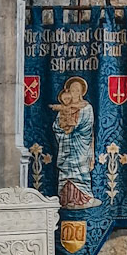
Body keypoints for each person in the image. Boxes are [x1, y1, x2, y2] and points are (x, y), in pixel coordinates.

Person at [52, 76, 97, 208]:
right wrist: (62, 127)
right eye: (72, 90)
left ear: (82, 92)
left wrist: (72, 127)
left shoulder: (87, 107)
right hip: (66, 147)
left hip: (80, 146)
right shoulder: (64, 108)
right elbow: (56, 126)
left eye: (78, 90)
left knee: (80, 172)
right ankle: (66, 199)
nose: (75, 92)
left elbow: (87, 125)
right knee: (66, 173)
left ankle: (83, 198)